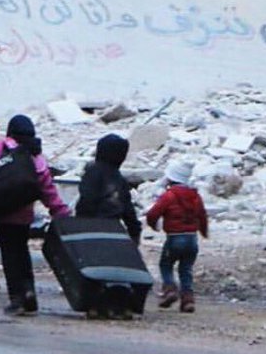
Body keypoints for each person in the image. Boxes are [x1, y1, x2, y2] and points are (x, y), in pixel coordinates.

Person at [0, 114, 70, 316]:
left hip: (1, 213)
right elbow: (48, 191)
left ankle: (17, 299)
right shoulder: (36, 157)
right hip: (24, 216)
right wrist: (61, 213)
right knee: (22, 252)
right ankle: (29, 293)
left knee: (9, 256)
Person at [145, 160, 208, 313]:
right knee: (186, 269)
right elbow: (202, 215)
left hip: (175, 237)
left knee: (166, 264)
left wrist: (154, 225)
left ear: (171, 178)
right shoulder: (195, 196)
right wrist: (203, 231)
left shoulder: (169, 196)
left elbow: (153, 214)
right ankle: (188, 300)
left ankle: (170, 290)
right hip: (192, 239)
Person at [75, 134, 141, 243]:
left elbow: (85, 201)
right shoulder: (119, 179)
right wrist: (135, 232)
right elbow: (128, 210)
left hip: (88, 229)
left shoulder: (91, 173)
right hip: (111, 230)